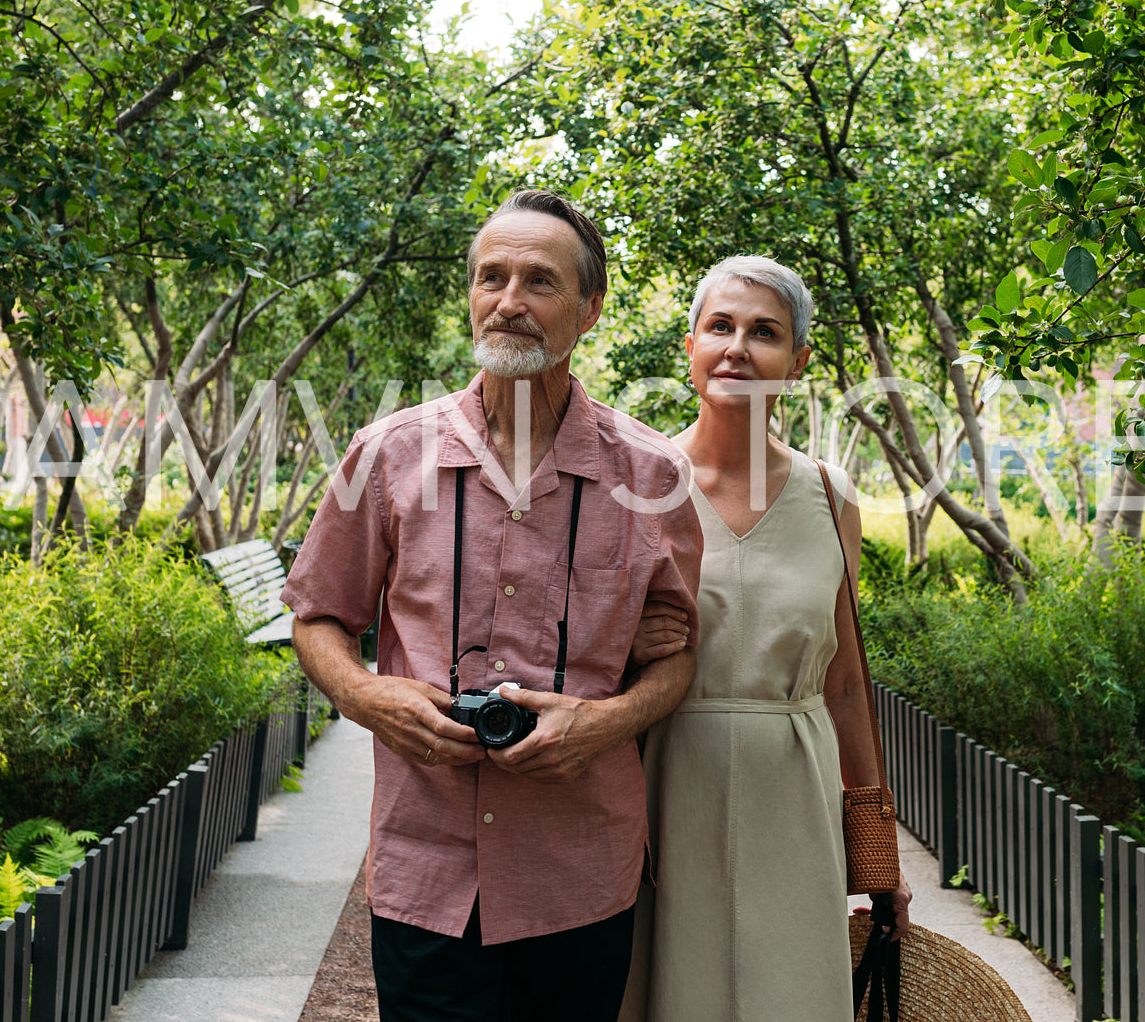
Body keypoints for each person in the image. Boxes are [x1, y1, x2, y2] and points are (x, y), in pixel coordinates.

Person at [282, 190, 704, 1022]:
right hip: (426, 863)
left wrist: (607, 722)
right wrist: (363, 694)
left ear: (588, 308)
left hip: (579, 867)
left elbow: (677, 655)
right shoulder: (386, 455)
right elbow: (317, 614)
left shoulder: (651, 474)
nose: (508, 301)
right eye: (491, 277)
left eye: (538, 281)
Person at [618, 255, 913, 1022]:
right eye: (719, 326)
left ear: (799, 361)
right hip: (668, 787)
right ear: (688, 347)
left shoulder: (829, 493)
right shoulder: (637, 486)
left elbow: (845, 683)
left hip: (796, 794)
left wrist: (879, 854)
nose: (738, 348)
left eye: (765, 333)